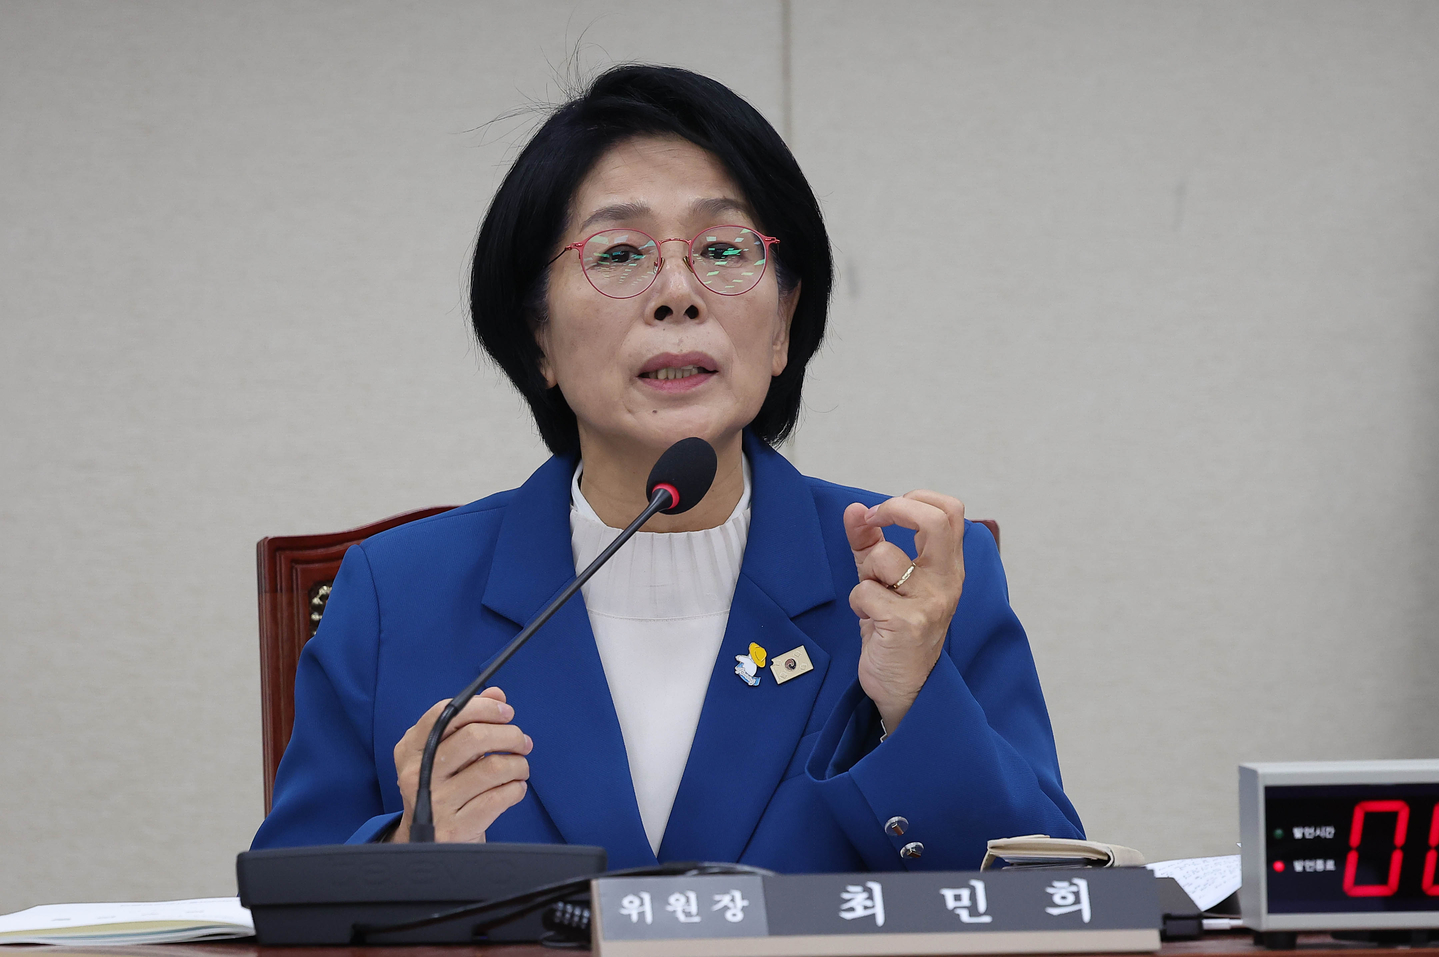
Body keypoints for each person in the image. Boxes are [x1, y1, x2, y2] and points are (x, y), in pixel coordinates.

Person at [251, 64, 1083, 872]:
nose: (678, 292)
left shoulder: (914, 576)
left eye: (723, 250)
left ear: (784, 322)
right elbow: (288, 905)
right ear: (536, 333)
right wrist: (411, 856)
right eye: (618, 255)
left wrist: (914, 701)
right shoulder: (398, 595)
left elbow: (1054, 898)